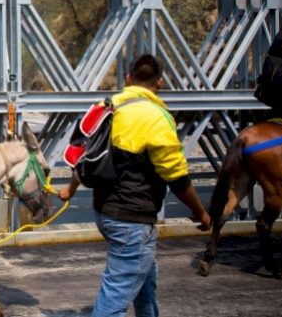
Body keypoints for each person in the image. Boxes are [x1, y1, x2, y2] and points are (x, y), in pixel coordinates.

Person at [58, 54, 211, 317]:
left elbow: (84, 152)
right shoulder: (155, 117)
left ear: (128, 78)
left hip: (104, 213)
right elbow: (176, 176)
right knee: (114, 299)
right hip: (133, 219)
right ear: (159, 83)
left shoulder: (106, 106)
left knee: (145, 283)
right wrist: (201, 212)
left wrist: (69, 191)